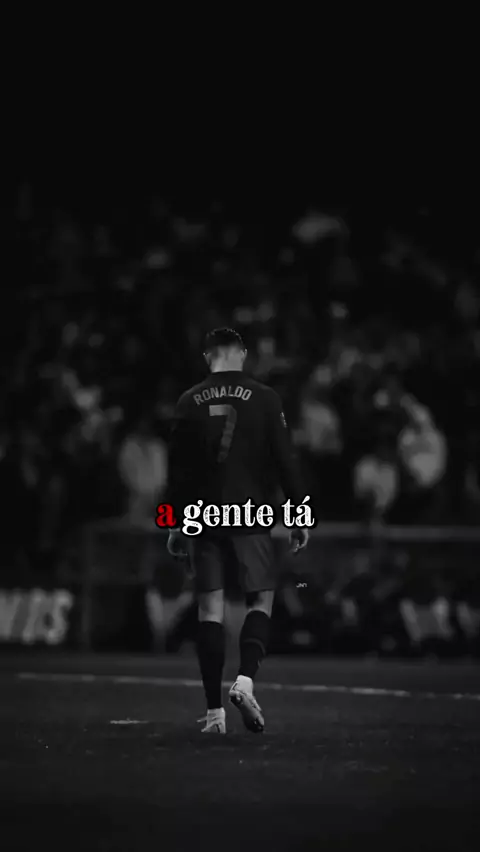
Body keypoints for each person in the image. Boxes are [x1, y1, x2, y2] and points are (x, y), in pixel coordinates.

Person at [166, 328, 309, 734]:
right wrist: (299, 515)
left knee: (209, 609)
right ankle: (245, 680)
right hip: (251, 513)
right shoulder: (265, 398)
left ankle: (215, 715)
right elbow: (286, 461)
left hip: (203, 515)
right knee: (260, 600)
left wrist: (174, 524)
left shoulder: (188, 400)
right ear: (242, 354)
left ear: (207, 356)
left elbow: (177, 473)